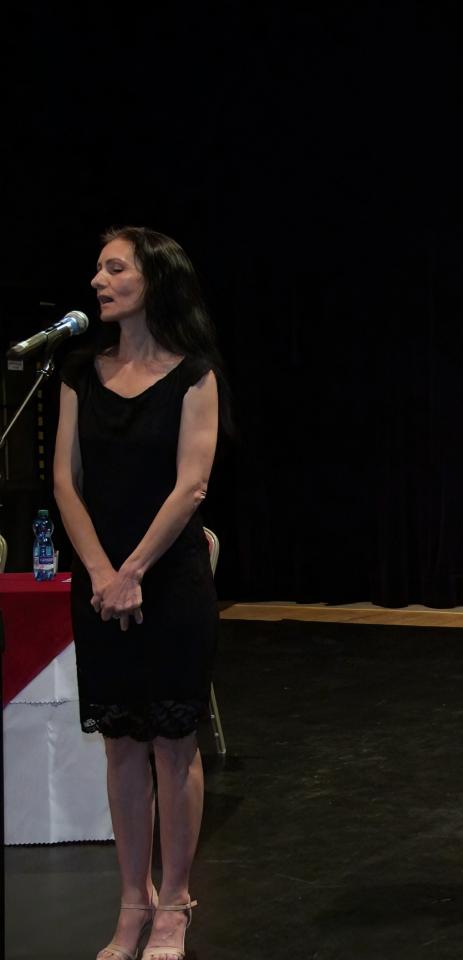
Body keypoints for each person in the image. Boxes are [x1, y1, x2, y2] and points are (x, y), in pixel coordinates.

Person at [55, 226, 224, 960]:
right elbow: (65, 481)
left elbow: (192, 486)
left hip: (168, 581)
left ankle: (176, 902)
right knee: (121, 744)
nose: (98, 279)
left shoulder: (195, 375)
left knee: (172, 741)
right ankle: (134, 901)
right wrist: (101, 572)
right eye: (97, 268)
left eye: (114, 267)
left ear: (152, 280)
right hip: (100, 584)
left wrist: (133, 572)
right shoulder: (78, 371)